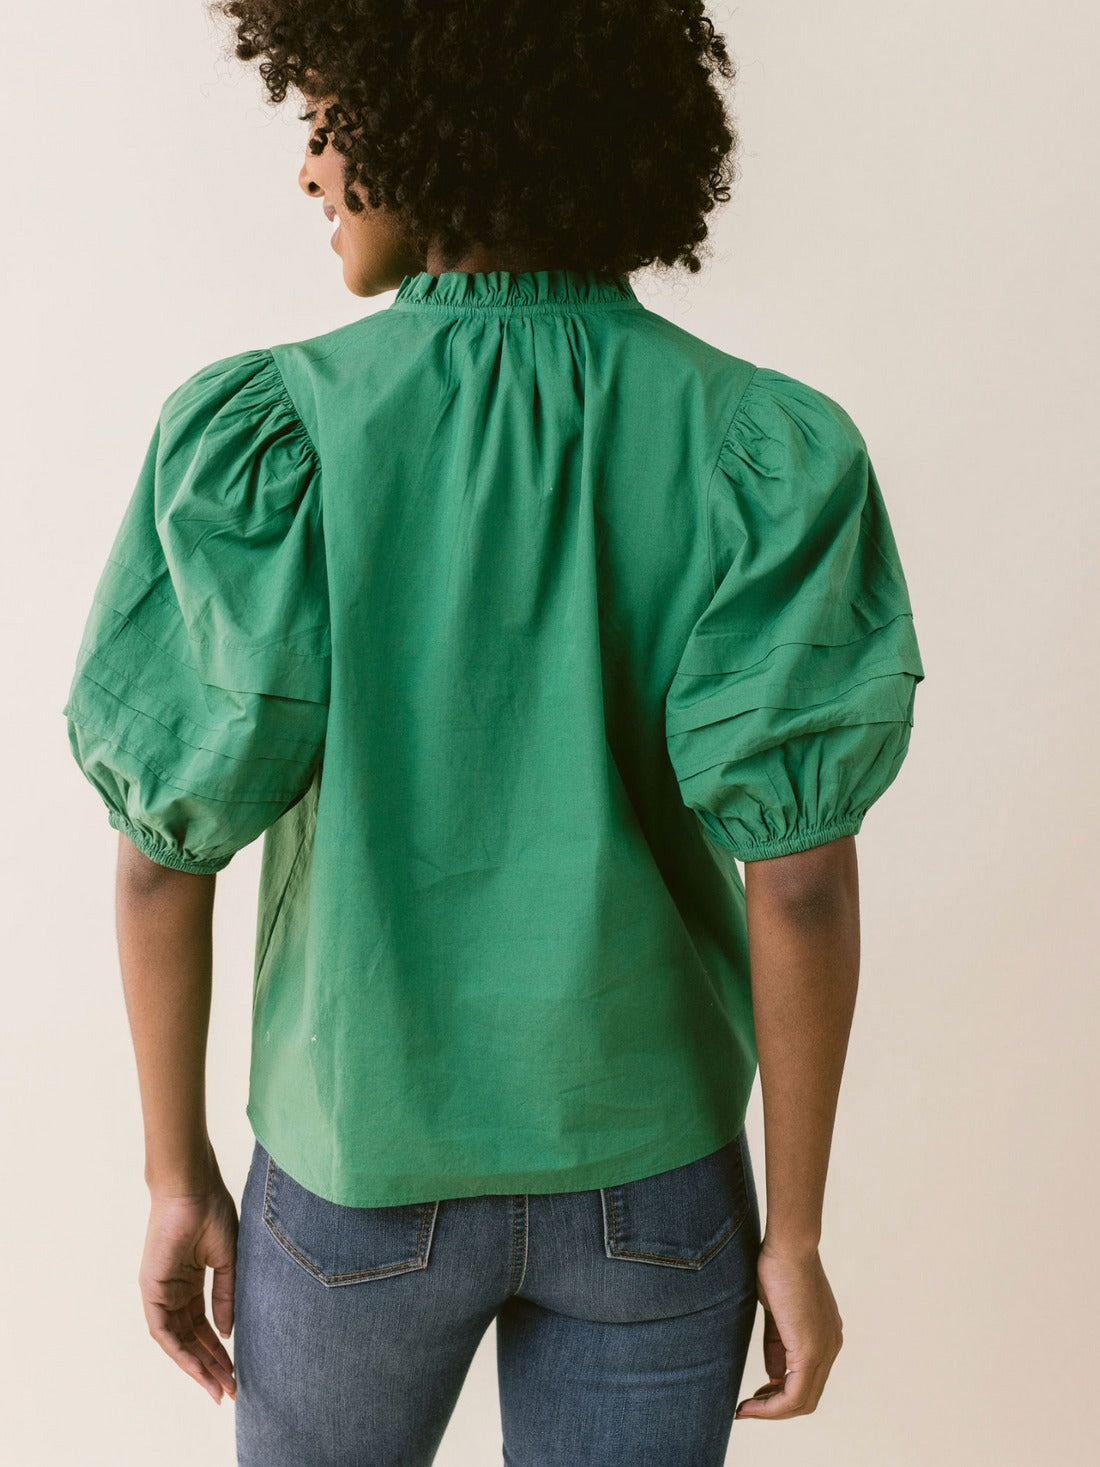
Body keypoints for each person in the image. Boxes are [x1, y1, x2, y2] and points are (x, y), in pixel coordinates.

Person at [61, 3, 926, 1463]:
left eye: (326, 122)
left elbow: (164, 850)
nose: (310, 169)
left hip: (353, 1175)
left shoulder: (274, 438)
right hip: (654, 1187)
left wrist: (172, 1170)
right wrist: (794, 1233)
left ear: (424, 130)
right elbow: (802, 878)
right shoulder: (759, 451)